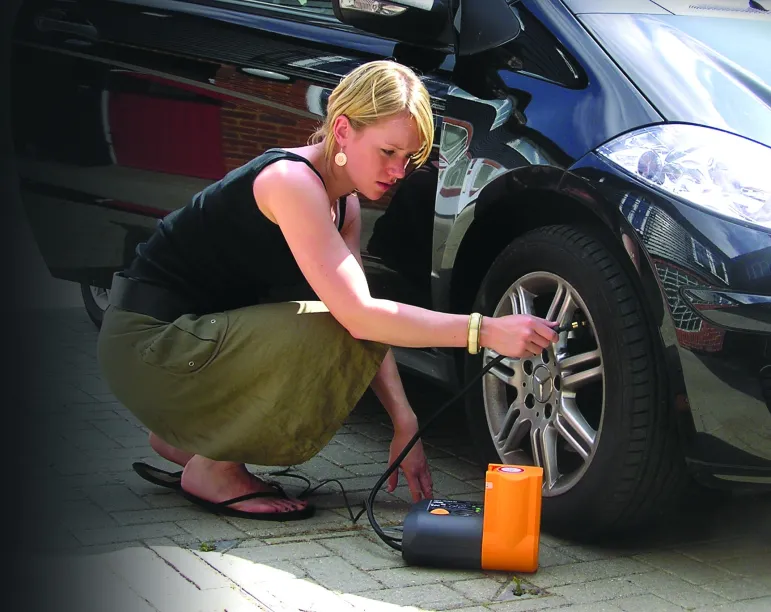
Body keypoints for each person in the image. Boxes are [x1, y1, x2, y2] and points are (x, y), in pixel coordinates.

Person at [97, 60, 558, 521]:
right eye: (388, 152)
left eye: (409, 159)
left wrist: (405, 421)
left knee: (341, 319)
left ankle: (188, 440)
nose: (399, 171)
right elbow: (357, 317)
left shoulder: (345, 204)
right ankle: (213, 470)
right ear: (342, 130)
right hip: (148, 345)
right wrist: (484, 331)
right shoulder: (291, 182)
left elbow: (369, 320)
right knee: (328, 325)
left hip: (189, 344)